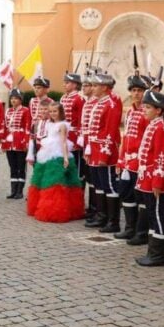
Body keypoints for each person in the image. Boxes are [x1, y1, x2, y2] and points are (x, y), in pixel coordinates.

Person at [27, 102, 84, 222]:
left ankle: (55, 209)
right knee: (42, 179)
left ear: (60, 112)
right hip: (47, 151)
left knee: (56, 181)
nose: (53, 114)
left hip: (58, 153)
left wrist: (65, 157)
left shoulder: (63, 125)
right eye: (51, 111)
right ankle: (39, 205)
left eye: (55, 111)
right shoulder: (48, 123)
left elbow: (63, 142)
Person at [135, 89, 164, 267]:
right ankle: (152, 251)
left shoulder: (162, 128)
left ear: (159, 110)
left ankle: (158, 255)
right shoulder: (154, 124)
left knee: (158, 215)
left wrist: (158, 181)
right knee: (152, 214)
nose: (144, 110)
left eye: (148, 107)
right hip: (147, 178)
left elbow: (161, 157)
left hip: (156, 180)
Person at [86, 71, 122, 233]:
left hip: (104, 150)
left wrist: (104, 155)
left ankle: (113, 221)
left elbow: (110, 131)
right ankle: (101, 216)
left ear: (105, 87)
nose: (92, 88)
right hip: (94, 148)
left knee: (109, 186)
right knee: (99, 185)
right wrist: (89, 148)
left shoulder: (111, 105)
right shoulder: (98, 103)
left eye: (95, 85)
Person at [116, 74, 150, 242]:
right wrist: (120, 160)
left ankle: (142, 232)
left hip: (140, 161)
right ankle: (130, 228)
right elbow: (126, 137)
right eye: (134, 90)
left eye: (140, 90)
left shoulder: (147, 112)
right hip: (128, 161)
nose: (136, 94)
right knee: (126, 193)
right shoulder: (130, 112)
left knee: (141, 196)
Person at [1, 89, 32, 199]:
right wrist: (4, 143)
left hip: (20, 141)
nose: (13, 100)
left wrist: (25, 142)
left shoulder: (25, 111)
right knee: (12, 167)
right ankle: (13, 190)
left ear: (20, 100)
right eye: (12, 98)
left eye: (16, 98)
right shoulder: (8, 111)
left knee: (21, 167)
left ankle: (20, 191)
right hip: (10, 142)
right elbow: (4, 127)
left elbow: (27, 127)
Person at [80, 71, 101, 226]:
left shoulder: (96, 103)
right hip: (86, 143)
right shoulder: (87, 102)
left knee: (95, 180)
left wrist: (89, 145)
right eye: (85, 85)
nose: (85, 88)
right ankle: (92, 208)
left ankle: (96, 209)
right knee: (88, 177)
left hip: (93, 144)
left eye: (88, 85)